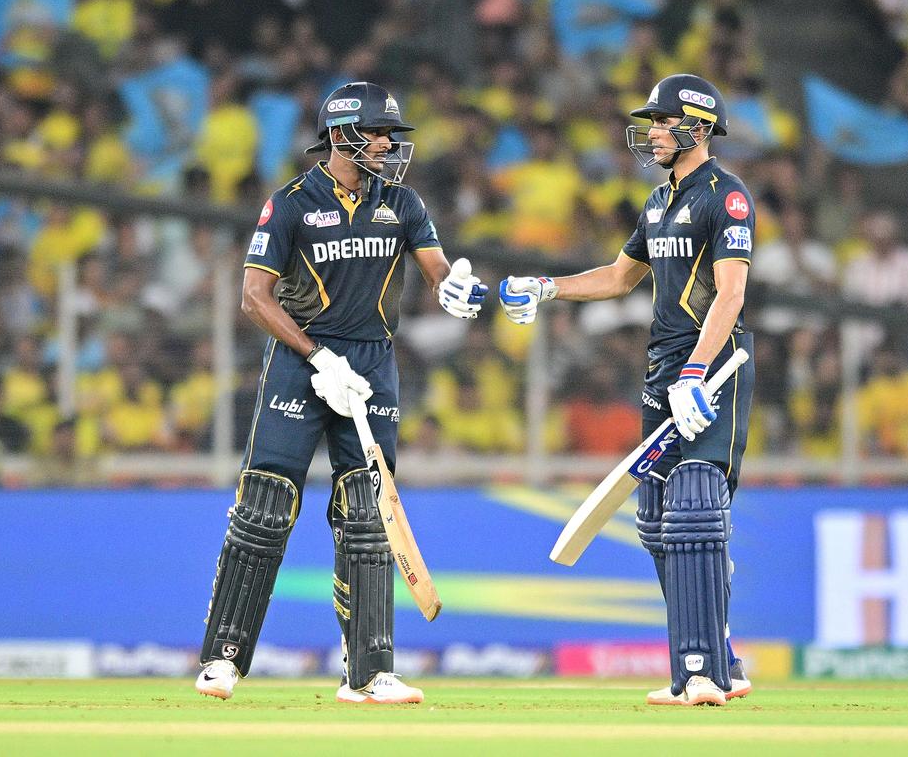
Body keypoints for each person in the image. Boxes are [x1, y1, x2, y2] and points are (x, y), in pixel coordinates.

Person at [193, 81, 486, 704]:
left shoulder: (403, 203)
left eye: (391, 135)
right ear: (342, 134)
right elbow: (254, 297)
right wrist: (317, 354)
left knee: (368, 515)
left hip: (374, 366)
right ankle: (223, 659)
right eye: (378, 133)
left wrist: (457, 286)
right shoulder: (292, 203)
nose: (387, 145)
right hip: (302, 361)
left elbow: (437, 269)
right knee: (266, 507)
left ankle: (370, 672)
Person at [499, 74, 755, 706]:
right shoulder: (658, 201)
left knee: (695, 505)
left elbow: (730, 294)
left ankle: (699, 674)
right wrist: (546, 287)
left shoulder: (727, 196)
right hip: (664, 367)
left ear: (696, 126)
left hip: (711, 365)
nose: (652, 133)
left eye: (663, 122)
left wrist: (697, 372)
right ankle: (721, 656)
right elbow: (618, 278)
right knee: (655, 521)